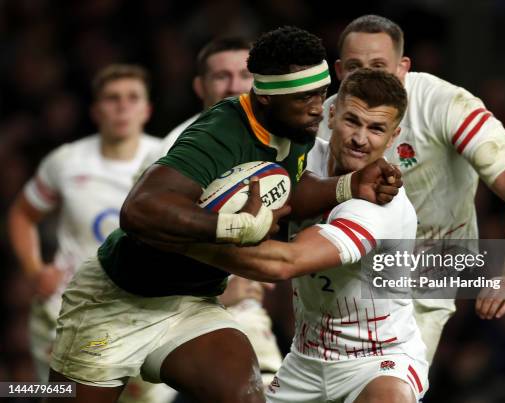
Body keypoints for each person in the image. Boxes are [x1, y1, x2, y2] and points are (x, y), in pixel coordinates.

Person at [46, 27, 402, 403]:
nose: (319, 107)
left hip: (190, 302)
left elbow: (288, 187)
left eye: (320, 93)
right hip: (117, 299)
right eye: (305, 98)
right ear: (265, 98)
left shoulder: (293, 123)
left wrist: (348, 186)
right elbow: (139, 210)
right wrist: (233, 226)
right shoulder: (217, 135)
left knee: (245, 397)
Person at [317, 15, 505, 365]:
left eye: (379, 66)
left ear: (402, 67)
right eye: (354, 67)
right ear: (338, 70)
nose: (366, 78)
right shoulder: (325, 119)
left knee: (391, 387)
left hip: (426, 275)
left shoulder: (443, 103)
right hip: (342, 275)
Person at [187, 68, 429, 403]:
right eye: (352, 121)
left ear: (393, 136)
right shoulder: (298, 157)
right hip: (305, 360)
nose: (360, 138)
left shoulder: (383, 205)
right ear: (331, 114)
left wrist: (186, 241)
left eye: (376, 129)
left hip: (377, 360)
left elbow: (285, 263)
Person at [7, 64, 177, 403]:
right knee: (61, 396)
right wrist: (34, 269)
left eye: (132, 98)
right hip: (67, 311)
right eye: (112, 99)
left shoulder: (170, 159)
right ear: (96, 110)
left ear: (147, 110)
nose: (122, 106)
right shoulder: (67, 161)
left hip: (145, 312)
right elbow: (22, 214)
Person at [141, 36, 283, 386]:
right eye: (221, 76)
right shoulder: (171, 152)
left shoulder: (278, 140)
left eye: (244, 74)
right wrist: (221, 292)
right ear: (199, 85)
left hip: (257, 301)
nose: (234, 85)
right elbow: (149, 243)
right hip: (182, 307)